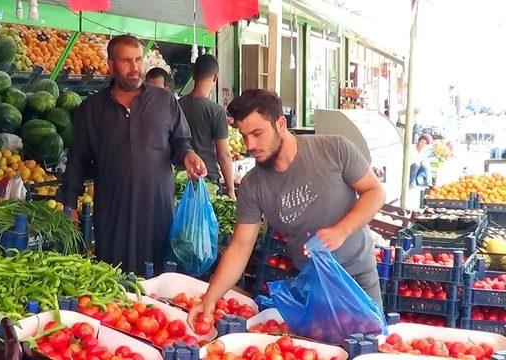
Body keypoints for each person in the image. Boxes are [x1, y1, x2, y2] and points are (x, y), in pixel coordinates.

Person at [187, 89, 386, 328]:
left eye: (257, 133)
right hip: (313, 287)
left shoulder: (334, 149)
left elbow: (375, 192)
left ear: (280, 124)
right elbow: (240, 246)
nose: (250, 144)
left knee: (368, 347)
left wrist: (341, 231)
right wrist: (209, 299)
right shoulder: (252, 185)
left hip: (358, 278)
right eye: (244, 135)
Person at [64, 35, 208, 274]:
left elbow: (181, 141)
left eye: (138, 60)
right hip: (113, 214)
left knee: (157, 282)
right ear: (110, 66)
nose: (135, 68)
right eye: (126, 61)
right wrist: (69, 203)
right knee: (113, 279)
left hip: (157, 211)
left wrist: (188, 156)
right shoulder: (91, 110)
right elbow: (77, 160)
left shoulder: (165, 102)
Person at [178, 54, 236, 200]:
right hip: (207, 178)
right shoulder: (216, 111)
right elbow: (223, 154)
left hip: (180, 177)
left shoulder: (177, 105)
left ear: (193, 75)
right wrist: (230, 190)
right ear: (215, 78)